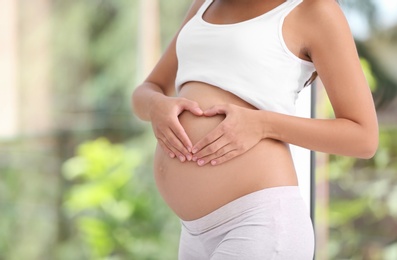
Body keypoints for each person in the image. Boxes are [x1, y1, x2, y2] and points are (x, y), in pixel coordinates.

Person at [132, 0, 378, 259]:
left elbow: (363, 137)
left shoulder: (314, 9)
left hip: (260, 225)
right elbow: (148, 89)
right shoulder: (205, 4)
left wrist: (262, 124)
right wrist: (155, 106)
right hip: (193, 233)